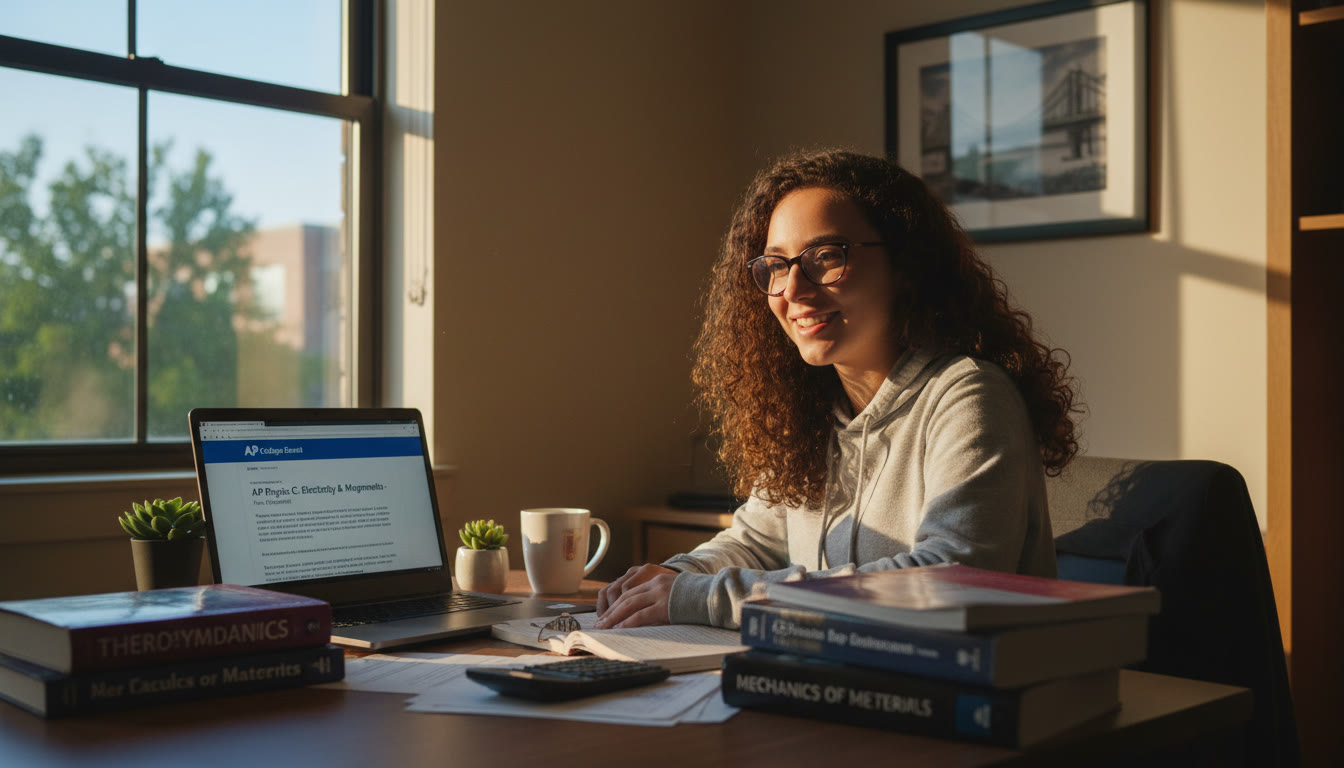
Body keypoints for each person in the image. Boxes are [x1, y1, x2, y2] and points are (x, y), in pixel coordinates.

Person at [596, 149, 1080, 630]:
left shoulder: (968, 395)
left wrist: (700, 597)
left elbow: (951, 578)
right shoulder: (810, 412)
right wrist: (676, 574)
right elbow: (752, 543)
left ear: (907, 264)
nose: (793, 290)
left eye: (825, 257)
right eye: (776, 265)